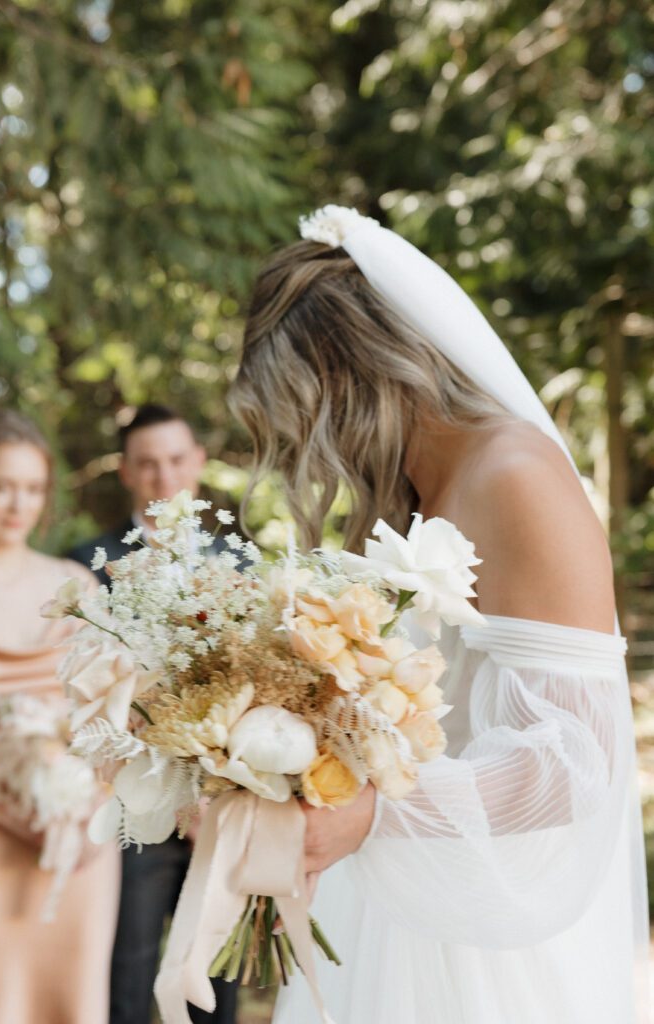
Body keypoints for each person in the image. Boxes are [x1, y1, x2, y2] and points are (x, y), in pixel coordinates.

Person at [228, 206, 650, 1024]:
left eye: (303, 410)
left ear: (354, 376)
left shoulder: (515, 475)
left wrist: (375, 806)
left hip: (484, 942)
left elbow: (576, 765)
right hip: (402, 901)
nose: (309, 446)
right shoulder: (418, 499)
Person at [68, 403, 239, 1024]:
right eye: (148, 465)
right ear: (128, 474)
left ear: (196, 461)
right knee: (127, 971)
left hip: (223, 802)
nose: (164, 476)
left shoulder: (240, 561)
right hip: (133, 805)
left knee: (215, 978)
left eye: (175, 460)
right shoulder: (86, 564)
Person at [0, 407, 120, 1024]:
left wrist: (90, 805)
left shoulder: (73, 586)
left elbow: (113, 712)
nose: (18, 503)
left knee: (74, 998)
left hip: (76, 840)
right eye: (3, 484)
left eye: (33, 488)